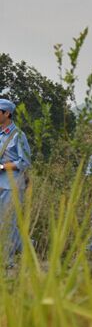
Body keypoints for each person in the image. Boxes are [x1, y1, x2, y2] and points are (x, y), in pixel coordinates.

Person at [0, 99, 31, 264]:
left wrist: (3, 166)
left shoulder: (18, 135)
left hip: (12, 185)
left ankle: (7, 261)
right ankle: (29, 247)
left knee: (8, 221)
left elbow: (25, 162)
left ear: (7, 113)